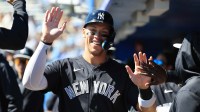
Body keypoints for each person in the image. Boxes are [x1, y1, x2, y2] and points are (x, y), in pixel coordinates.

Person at [22, 7, 156, 112]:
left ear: (110, 38)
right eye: (92, 31)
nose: (97, 36)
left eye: (103, 33)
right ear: (83, 32)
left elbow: (149, 110)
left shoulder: (122, 73)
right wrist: (45, 41)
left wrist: (144, 89)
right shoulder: (64, 67)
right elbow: (30, 82)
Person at [138, 33, 200, 112]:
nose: (154, 65)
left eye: (159, 62)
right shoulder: (155, 86)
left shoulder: (188, 92)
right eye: (154, 61)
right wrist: (143, 89)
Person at [13, 47, 44, 112]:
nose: (21, 65)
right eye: (18, 61)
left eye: (25, 62)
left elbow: (26, 107)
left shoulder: (35, 83)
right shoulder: (11, 79)